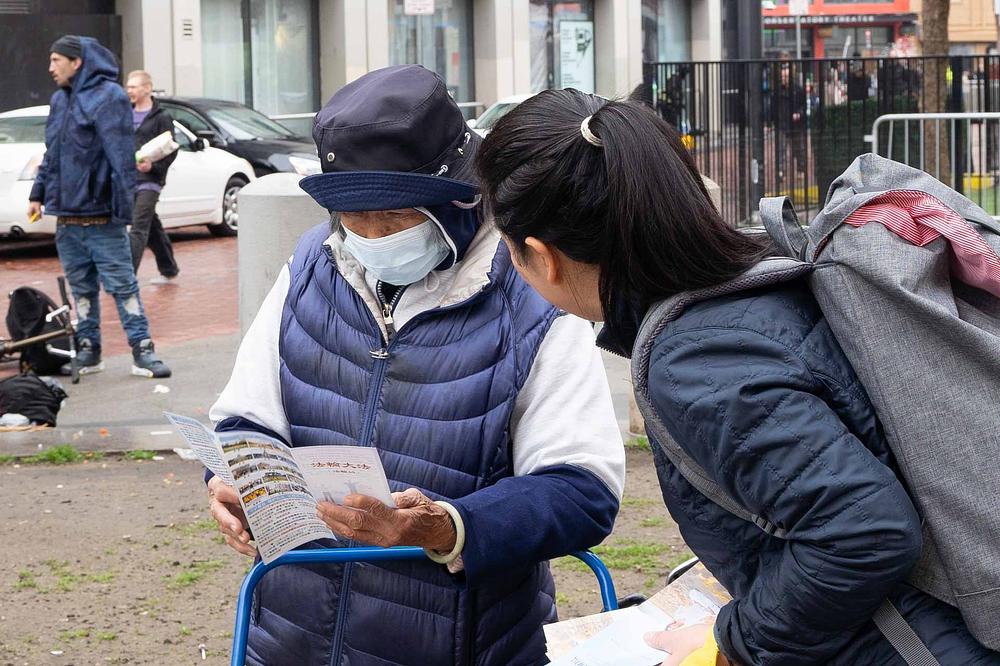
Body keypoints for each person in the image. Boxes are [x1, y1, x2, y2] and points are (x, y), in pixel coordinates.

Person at [474, 89, 1000, 665]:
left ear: (541, 255)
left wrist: (729, 647)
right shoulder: (755, 277)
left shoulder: (695, 357)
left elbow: (864, 530)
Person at [205, 65, 625, 666]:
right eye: (355, 217)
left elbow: (582, 490)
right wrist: (230, 482)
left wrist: (445, 526)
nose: (372, 236)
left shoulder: (532, 294)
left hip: (463, 644)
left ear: (459, 195)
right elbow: (245, 418)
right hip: (292, 632)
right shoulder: (312, 266)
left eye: (397, 217)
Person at [27, 36, 170, 379]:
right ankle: (89, 350)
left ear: (77, 62)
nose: (50, 68)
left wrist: (121, 213)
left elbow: (120, 158)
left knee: (123, 287)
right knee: (82, 290)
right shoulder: (60, 101)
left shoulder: (109, 98)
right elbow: (52, 154)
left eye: (56, 60)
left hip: (102, 218)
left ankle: (143, 351)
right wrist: (38, 192)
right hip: (67, 220)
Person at [125, 69, 180, 284]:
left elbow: (172, 149)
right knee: (151, 224)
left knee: (138, 226)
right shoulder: (124, 114)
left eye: (134, 86)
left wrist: (154, 167)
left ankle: (127, 277)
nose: (129, 90)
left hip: (150, 181)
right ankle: (169, 268)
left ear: (147, 88)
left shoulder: (162, 117)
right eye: (128, 87)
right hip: (128, 179)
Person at [769, 53, 807, 183]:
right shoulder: (777, 90)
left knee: (799, 149)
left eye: (786, 72)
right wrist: (771, 122)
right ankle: (781, 173)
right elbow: (773, 107)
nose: (784, 75)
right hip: (782, 123)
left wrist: (799, 114)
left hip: (796, 125)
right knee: (781, 151)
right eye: (783, 72)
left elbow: (804, 105)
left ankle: (801, 170)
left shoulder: (797, 88)